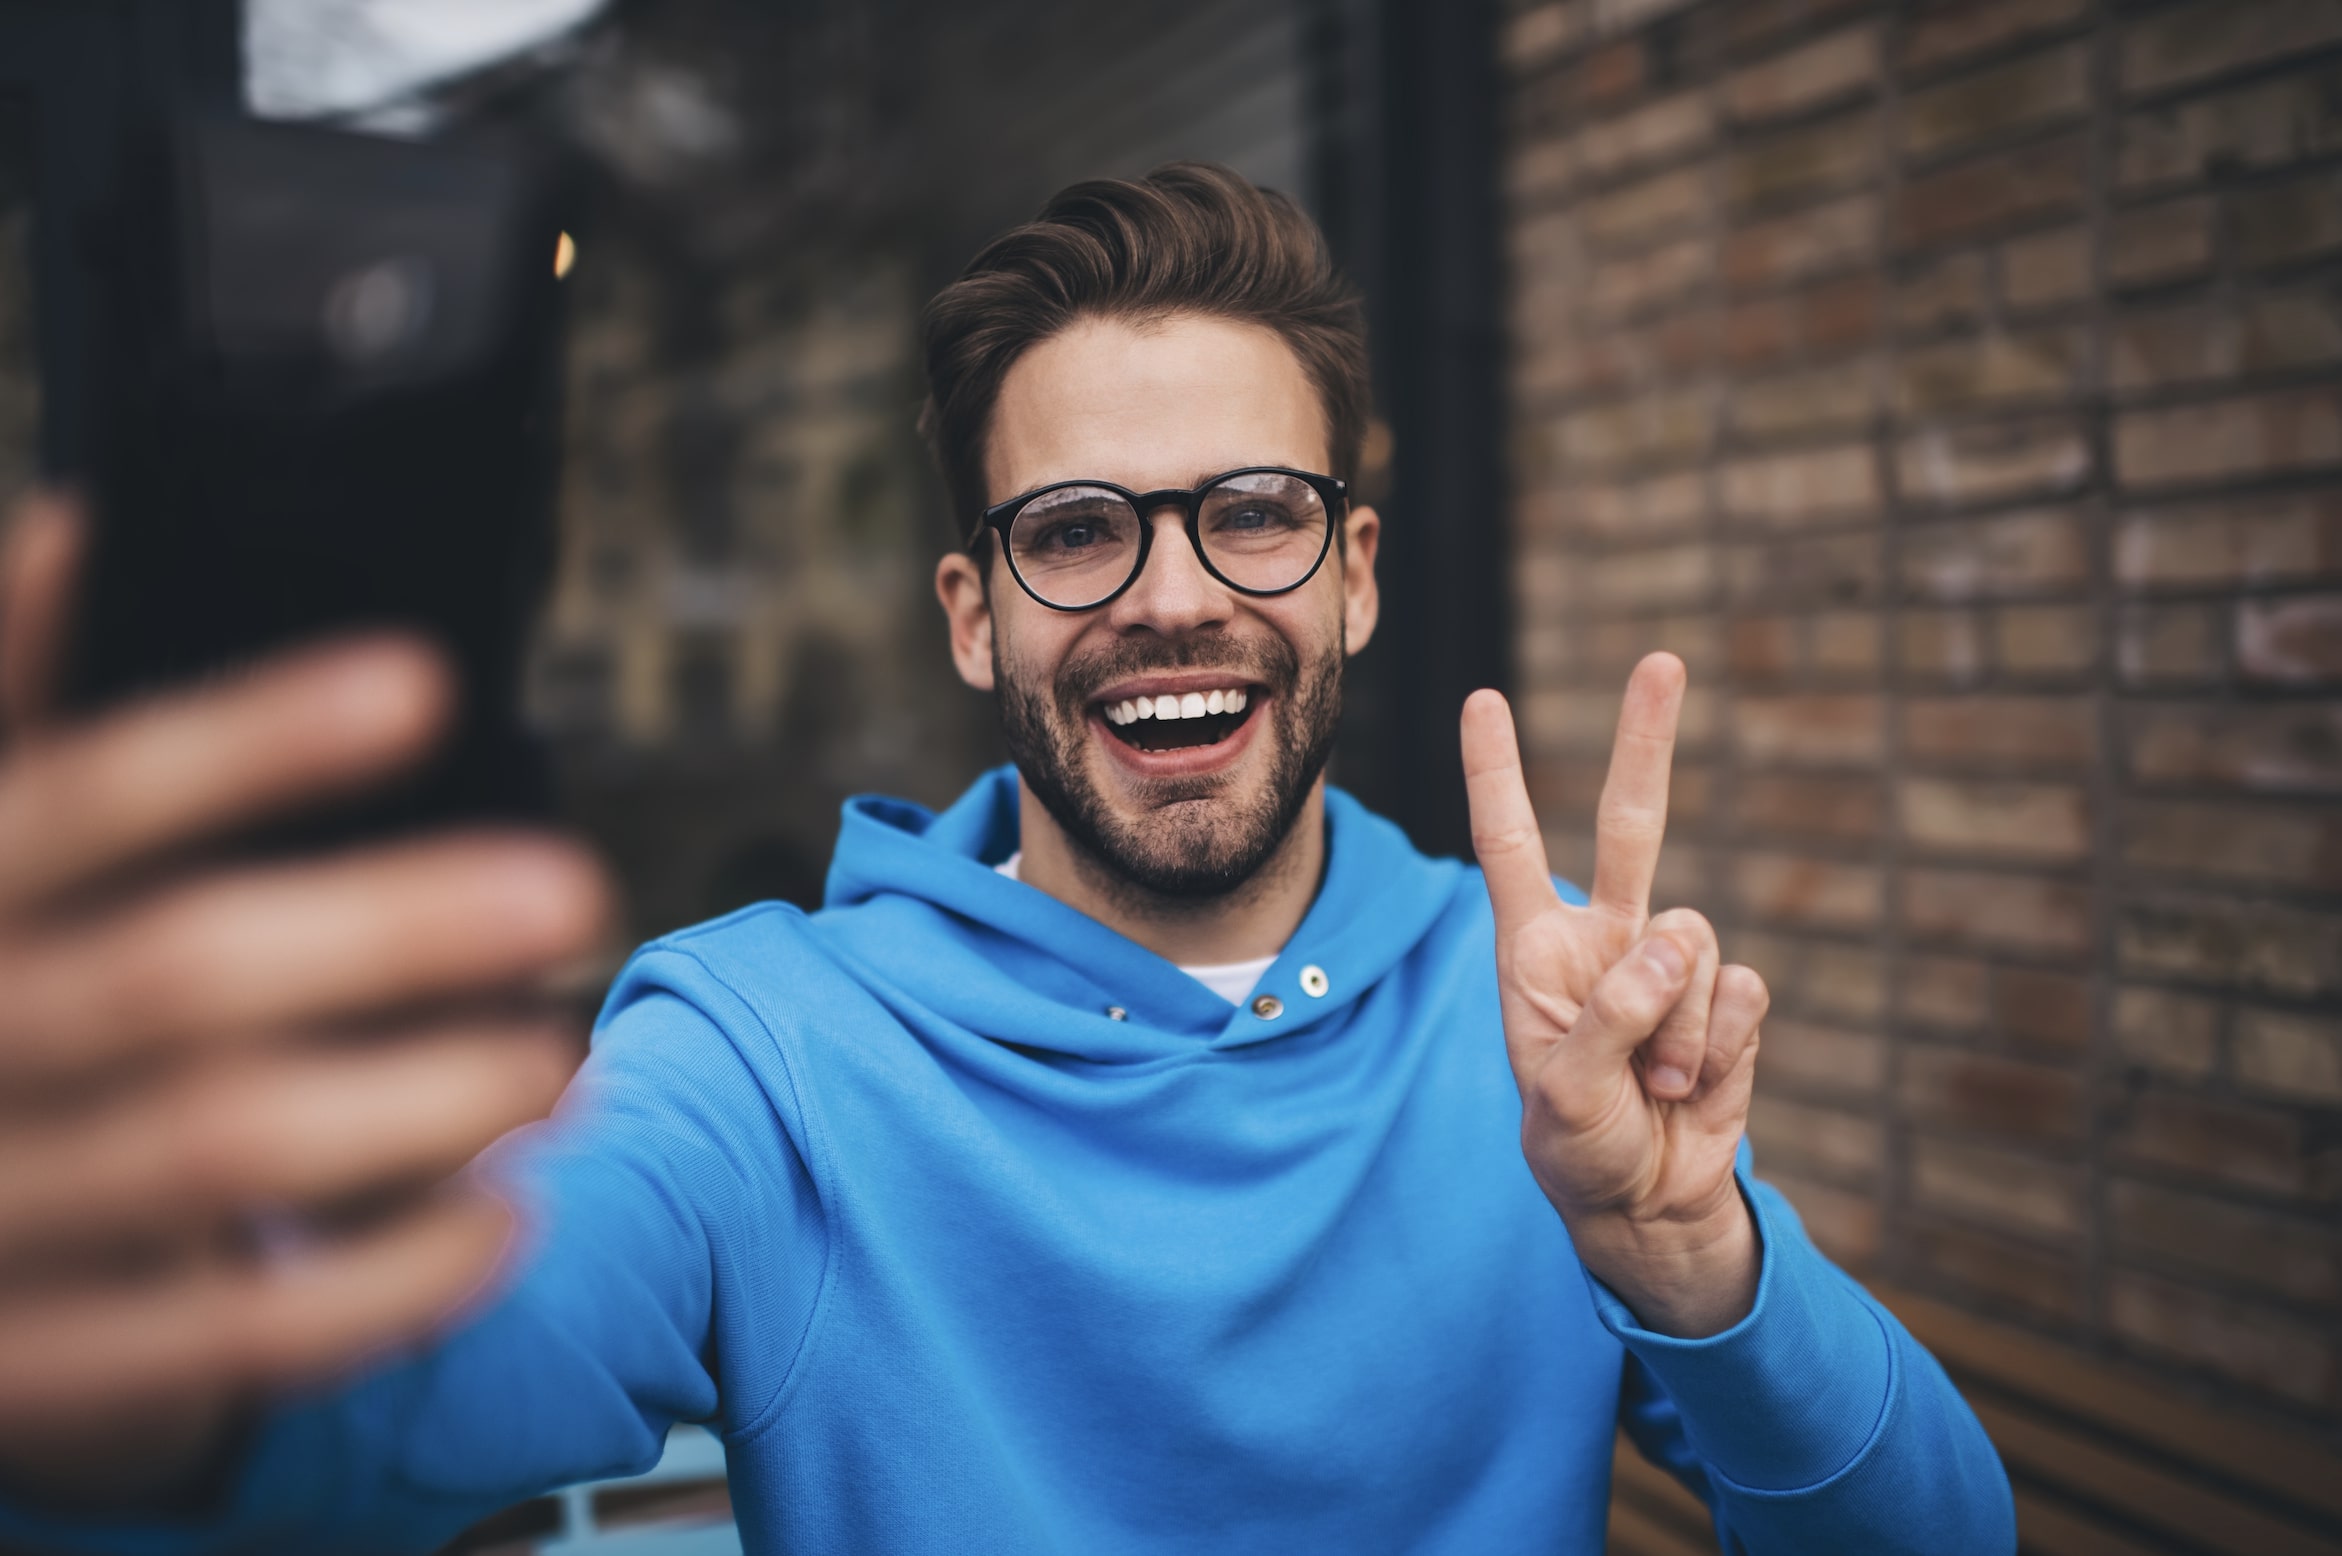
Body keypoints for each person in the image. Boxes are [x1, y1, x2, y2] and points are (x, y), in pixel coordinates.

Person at [0, 163, 2014, 1553]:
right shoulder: (761, 1052)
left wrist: (1694, 1262)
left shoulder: (1540, 1021)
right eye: (1074, 531)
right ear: (973, 614)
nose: (1167, 598)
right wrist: (163, 1350)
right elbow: (410, 1394)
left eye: (1249, 510)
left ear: (1355, 573)